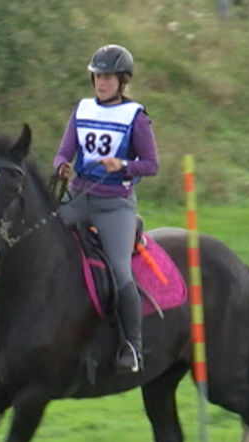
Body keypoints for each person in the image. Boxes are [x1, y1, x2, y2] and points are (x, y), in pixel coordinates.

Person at [53, 44, 159, 374]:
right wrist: (61, 167)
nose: (101, 83)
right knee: (42, 242)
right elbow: (63, 153)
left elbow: (151, 165)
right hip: (78, 197)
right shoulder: (82, 110)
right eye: (98, 76)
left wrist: (124, 165)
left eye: (108, 77)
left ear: (122, 81)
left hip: (114, 205)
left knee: (119, 269)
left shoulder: (135, 117)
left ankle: (132, 345)